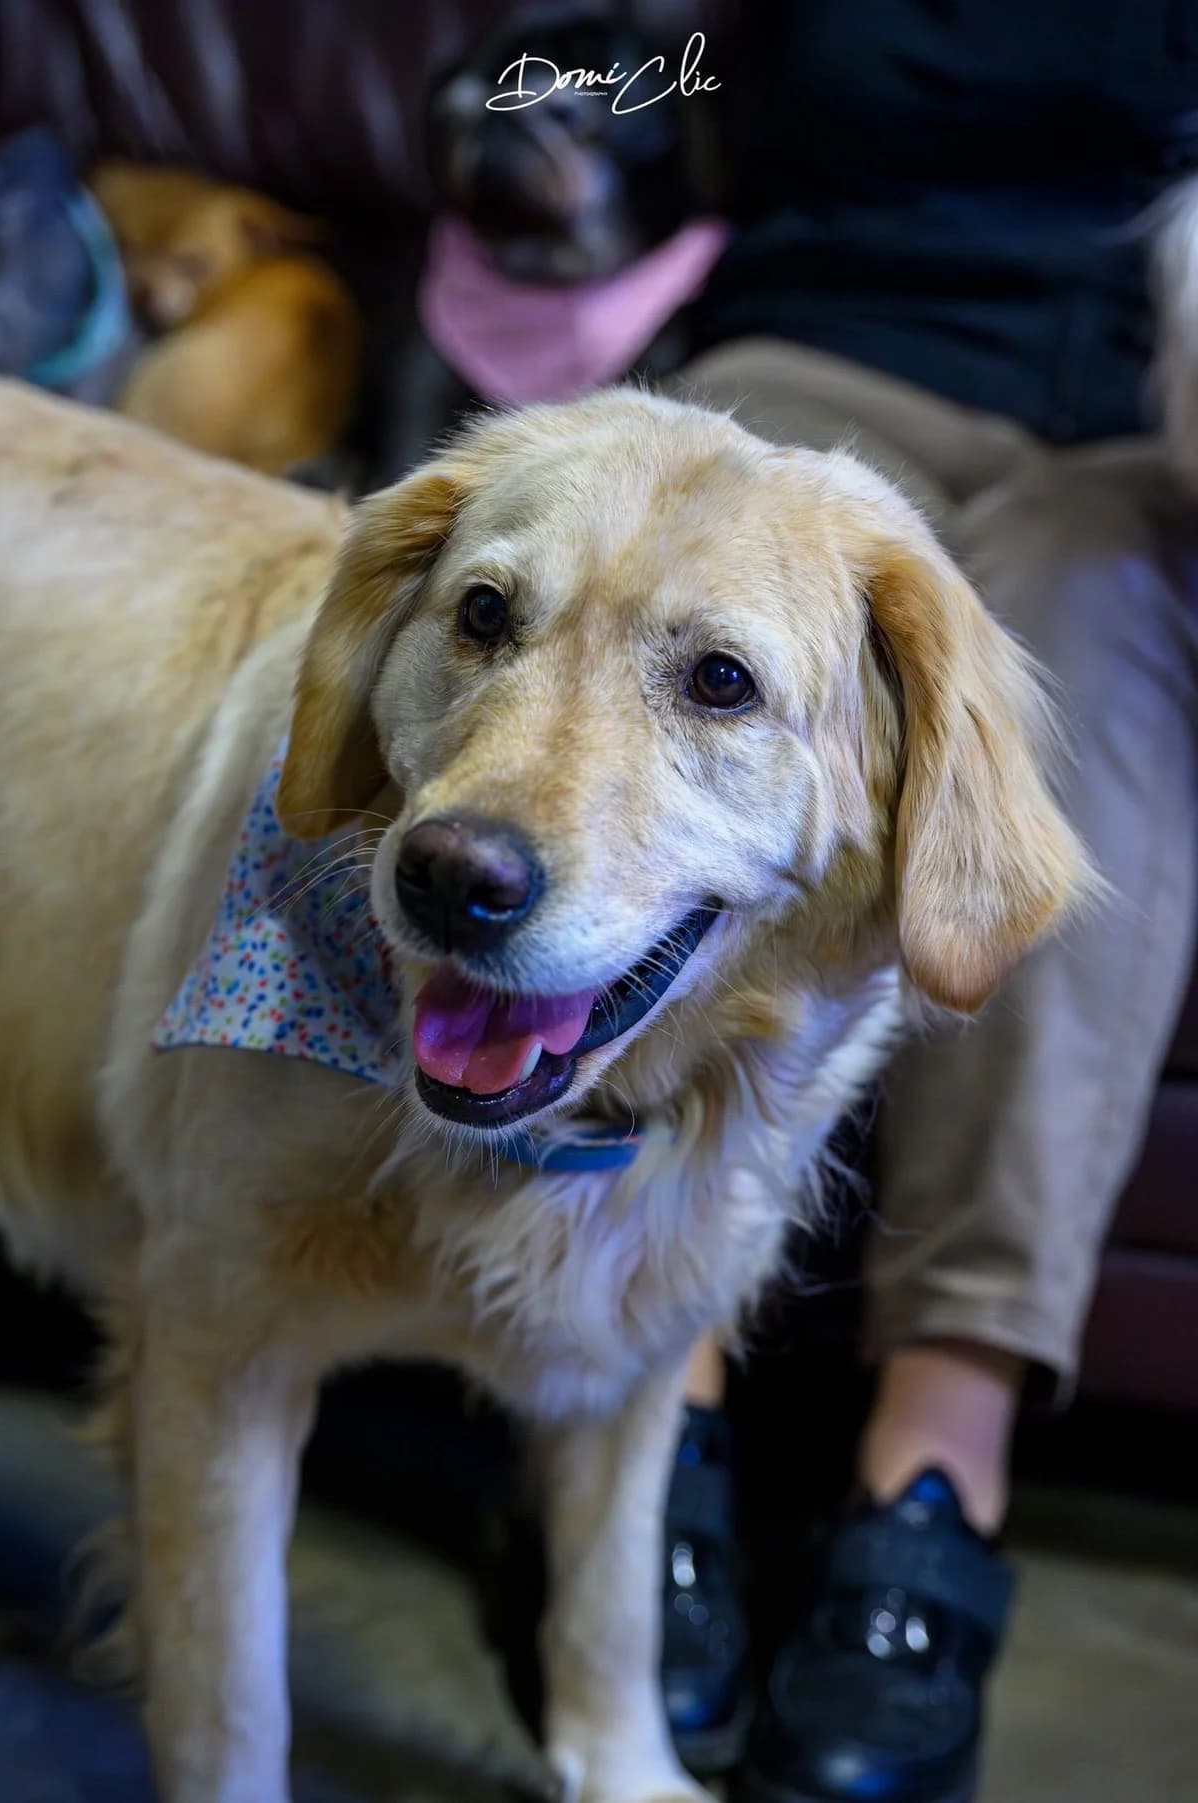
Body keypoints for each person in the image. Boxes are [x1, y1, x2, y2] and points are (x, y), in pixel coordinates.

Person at [649, 5, 1198, 1800]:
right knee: (702, 643)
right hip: (828, 355)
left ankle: (937, 1463)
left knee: (1080, 670)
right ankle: (651, 1407)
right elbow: (596, 72)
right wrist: (567, 99)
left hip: (1150, 435)